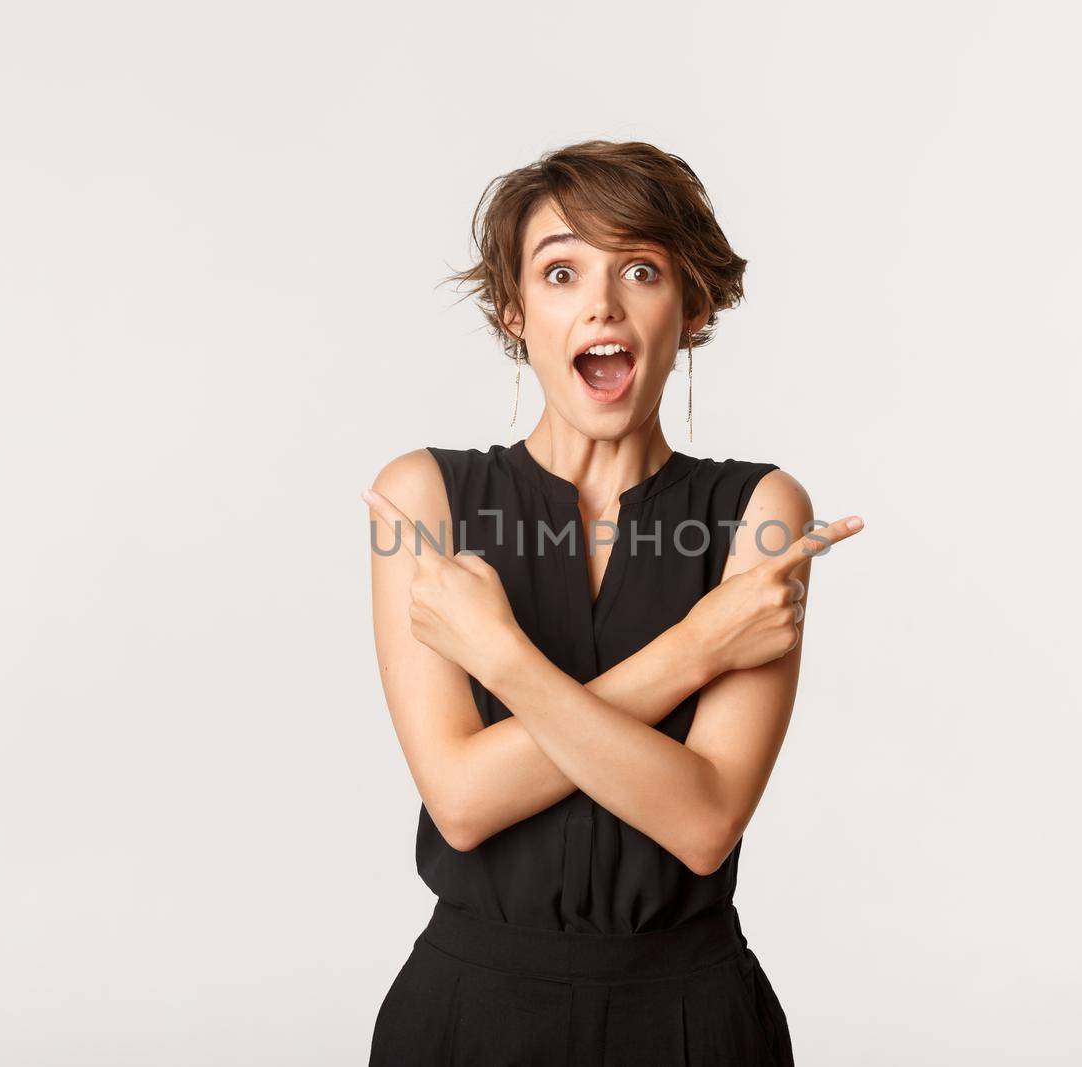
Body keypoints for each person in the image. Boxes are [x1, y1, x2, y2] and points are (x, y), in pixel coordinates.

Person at [361, 140, 863, 1065]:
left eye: (641, 269)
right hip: (470, 1012)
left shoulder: (762, 510)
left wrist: (501, 659)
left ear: (693, 307)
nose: (601, 303)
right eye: (560, 273)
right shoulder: (423, 497)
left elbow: (705, 824)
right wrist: (694, 649)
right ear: (515, 312)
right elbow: (463, 802)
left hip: (690, 1016)